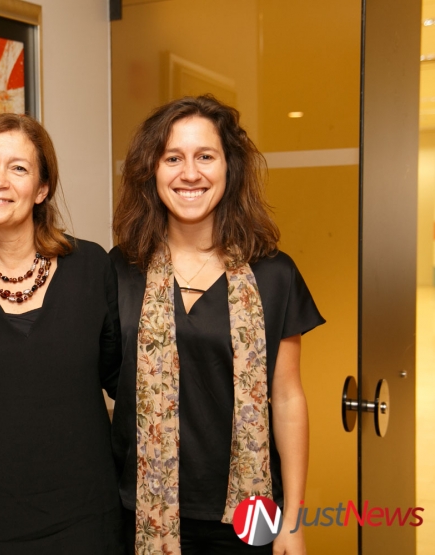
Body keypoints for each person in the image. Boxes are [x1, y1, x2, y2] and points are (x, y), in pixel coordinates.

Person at [110, 95, 324, 555]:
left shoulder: (274, 274)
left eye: (205, 156)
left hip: (250, 515)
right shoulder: (121, 270)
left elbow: (288, 398)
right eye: (173, 158)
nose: (190, 173)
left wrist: (294, 517)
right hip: (140, 511)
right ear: (152, 171)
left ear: (230, 168)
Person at [0, 113, 124, 554]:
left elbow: (121, 379)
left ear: (41, 189)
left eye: (18, 168)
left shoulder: (92, 267)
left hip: (83, 520)